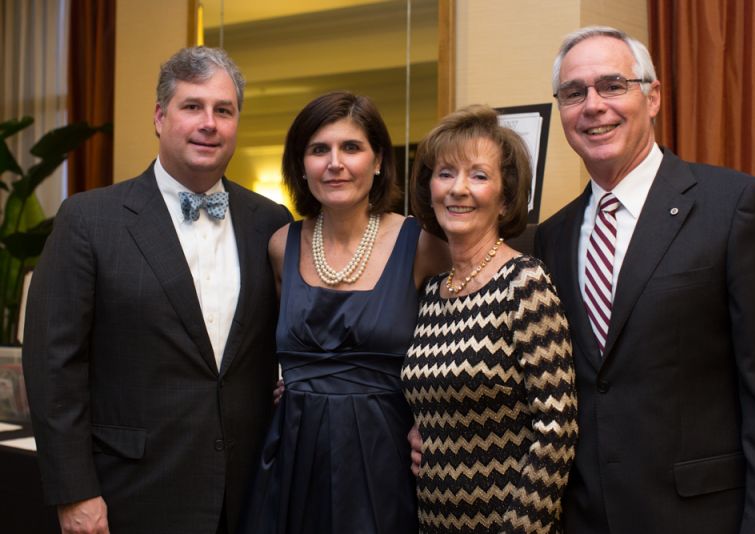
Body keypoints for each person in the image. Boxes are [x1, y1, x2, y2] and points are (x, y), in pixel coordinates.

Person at [534, 26, 755, 533]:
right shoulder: (552, 237)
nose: (593, 105)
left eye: (613, 85)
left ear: (652, 97)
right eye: (574, 93)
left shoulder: (734, 207)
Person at [22, 47, 292, 534]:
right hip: (130, 494)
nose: (209, 123)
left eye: (223, 110)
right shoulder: (88, 220)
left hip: (250, 493)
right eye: (192, 106)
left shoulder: (270, 224)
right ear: (159, 117)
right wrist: (75, 492)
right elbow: (52, 367)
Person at [238, 91, 448, 534]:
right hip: (292, 453)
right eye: (319, 150)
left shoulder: (423, 244)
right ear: (301, 166)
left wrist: (438, 422)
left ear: (377, 162)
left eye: (351, 147)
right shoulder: (281, 245)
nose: (335, 162)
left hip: (385, 455)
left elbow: (456, 340)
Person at [401, 104, 579, 533]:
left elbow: (557, 427)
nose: (458, 189)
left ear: (505, 198)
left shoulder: (525, 282)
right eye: (445, 173)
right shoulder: (433, 291)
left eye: (478, 176)